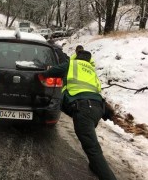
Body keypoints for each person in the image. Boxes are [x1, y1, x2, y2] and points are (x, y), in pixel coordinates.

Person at [40, 50, 117, 180]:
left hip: (84, 109)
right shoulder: (91, 70)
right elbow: (95, 89)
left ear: (76, 56)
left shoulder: (71, 64)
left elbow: (49, 73)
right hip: (98, 108)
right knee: (90, 141)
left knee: (93, 149)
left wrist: (41, 72)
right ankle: (94, 165)